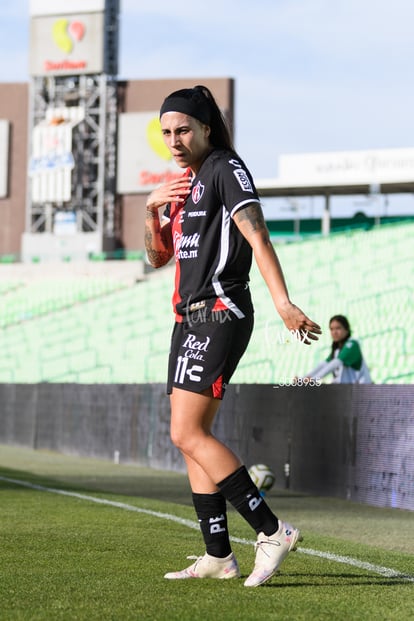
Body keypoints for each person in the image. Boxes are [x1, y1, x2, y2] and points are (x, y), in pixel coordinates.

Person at [144, 85, 321, 587]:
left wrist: (282, 301)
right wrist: (150, 210)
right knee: (189, 440)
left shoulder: (225, 167)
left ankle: (271, 531)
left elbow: (257, 233)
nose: (174, 140)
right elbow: (158, 258)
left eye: (182, 130)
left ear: (204, 128)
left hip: (220, 312)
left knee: (188, 433)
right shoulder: (184, 183)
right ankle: (219, 556)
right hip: (187, 318)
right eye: (166, 133)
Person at [301, 315, 372, 384]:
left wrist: (314, 379)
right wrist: (303, 378)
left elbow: (335, 363)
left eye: (338, 328)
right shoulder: (337, 350)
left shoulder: (352, 344)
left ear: (346, 329)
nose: (334, 332)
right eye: (331, 329)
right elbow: (323, 364)